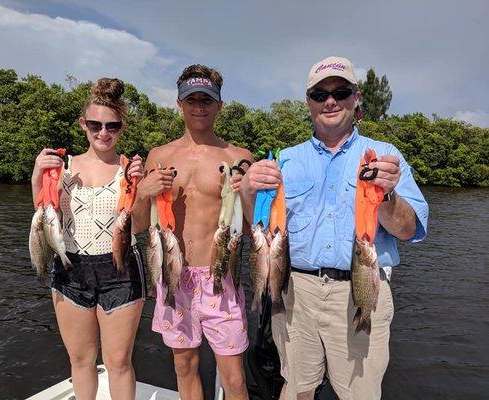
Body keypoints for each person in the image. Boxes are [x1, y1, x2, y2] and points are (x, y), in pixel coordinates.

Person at [239, 56, 429, 400]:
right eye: (319, 93)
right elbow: (260, 228)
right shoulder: (285, 159)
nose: (330, 101)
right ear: (308, 101)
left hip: (361, 289)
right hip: (295, 288)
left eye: (340, 92)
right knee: (297, 387)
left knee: (360, 392)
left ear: (356, 98)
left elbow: (407, 230)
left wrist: (387, 195)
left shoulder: (385, 155)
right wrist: (248, 192)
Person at [131, 64, 253, 400]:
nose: (199, 107)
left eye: (206, 100)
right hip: (174, 277)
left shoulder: (240, 157)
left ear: (219, 106)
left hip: (221, 279)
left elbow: (256, 225)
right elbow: (140, 225)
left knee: (235, 378)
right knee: (184, 367)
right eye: (192, 100)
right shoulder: (160, 155)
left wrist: (247, 193)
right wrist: (143, 191)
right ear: (179, 104)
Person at [31, 78, 145, 400]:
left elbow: (140, 225)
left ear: (122, 128)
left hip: (120, 269)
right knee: (80, 360)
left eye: (112, 125)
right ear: (83, 124)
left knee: (119, 362)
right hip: (70, 267)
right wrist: (37, 175)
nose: (103, 132)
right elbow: (42, 216)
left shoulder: (131, 170)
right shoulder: (63, 166)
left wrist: (143, 186)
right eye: (95, 124)